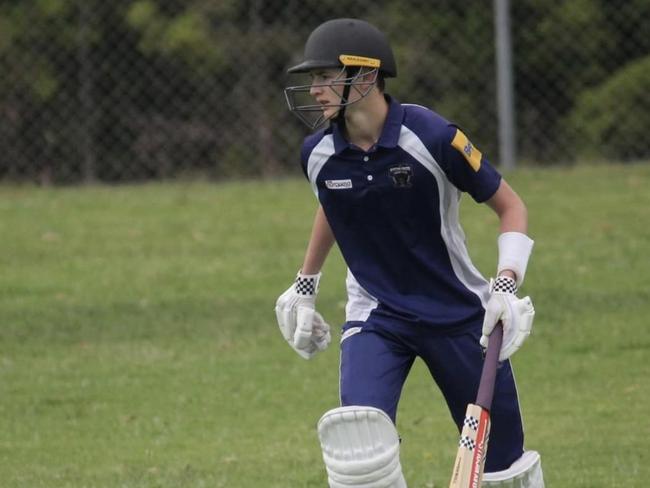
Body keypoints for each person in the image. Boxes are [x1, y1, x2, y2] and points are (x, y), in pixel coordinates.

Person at [275, 18, 544, 488]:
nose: (315, 90)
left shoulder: (431, 136)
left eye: (324, 77)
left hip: (459, 314)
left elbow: (511, 206)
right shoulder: (317, 152)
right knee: (358, 445)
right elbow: (333, 205)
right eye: (312, 79)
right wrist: (304, 286)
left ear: (363, 77)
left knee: (504, 470)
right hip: (377, 314)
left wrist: (505, 284)